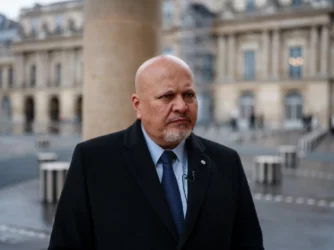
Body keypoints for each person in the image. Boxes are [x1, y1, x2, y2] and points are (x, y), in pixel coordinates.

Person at [48, 55, 264, 250]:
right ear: (138, 105)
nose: (181, 106)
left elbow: (248, 243)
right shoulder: (93, 160)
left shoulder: (226, 162)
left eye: (189, 95)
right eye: (167, 96)